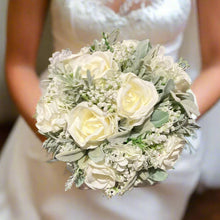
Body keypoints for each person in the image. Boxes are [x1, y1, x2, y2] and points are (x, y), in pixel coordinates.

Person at [0, 0, 220, 219]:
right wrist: (65, 144)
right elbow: (19, 64)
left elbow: (216, 65)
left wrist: (161, 130)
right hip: (55, 140)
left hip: (158, 148)